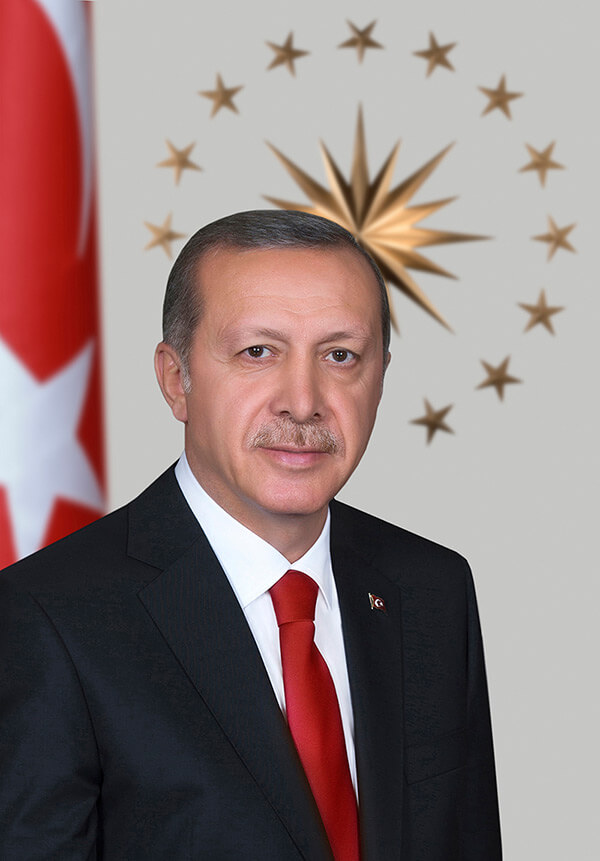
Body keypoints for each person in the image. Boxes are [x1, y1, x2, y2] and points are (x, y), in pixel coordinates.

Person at [0, 210, 502, 860]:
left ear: (380, 377)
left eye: (340, 355)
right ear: (176, 380)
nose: (303, 400)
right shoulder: (46, 617)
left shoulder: (433, 588)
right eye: (257, 352)